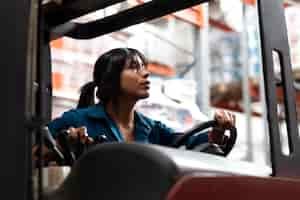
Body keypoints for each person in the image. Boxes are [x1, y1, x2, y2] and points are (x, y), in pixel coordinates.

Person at [47, 48, 235, 151]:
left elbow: (189, 143)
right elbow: (36, 149)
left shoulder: (151, 128)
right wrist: (63, 144)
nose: (145, 74)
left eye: (145, 67)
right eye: (135, 67)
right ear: (112, 77)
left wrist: (217, 133)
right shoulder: (77, 120)